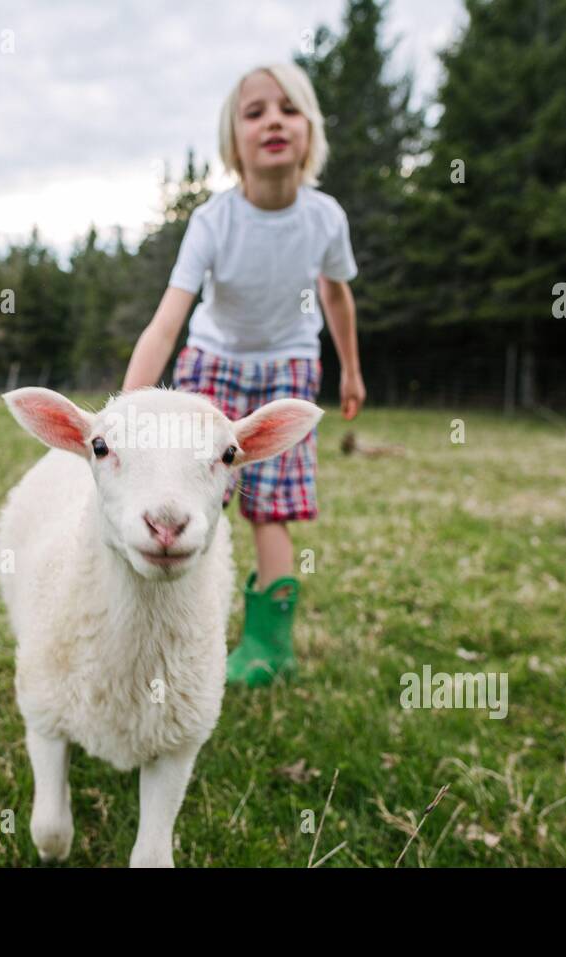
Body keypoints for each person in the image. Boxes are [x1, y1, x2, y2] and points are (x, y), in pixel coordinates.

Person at [121, 62, 366, 689]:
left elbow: (336, 298)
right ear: (235, 140)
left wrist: (351, 372)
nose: (273, 121)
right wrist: (127, 408)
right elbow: (167, 319)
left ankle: (268, 644)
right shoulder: (214, 221)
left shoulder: (325, 218)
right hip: (213, 364)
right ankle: (177, 632)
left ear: (309, 130)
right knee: (199, 495)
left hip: (288, 367)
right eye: (255, 112)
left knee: (269, 508)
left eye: (288, 109)